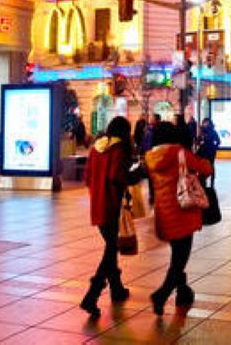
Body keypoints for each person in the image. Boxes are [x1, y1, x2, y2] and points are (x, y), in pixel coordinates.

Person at [145, 122, 213, 315]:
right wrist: (203, 158)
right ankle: (161, 295)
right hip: (182, 213)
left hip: (164, 215)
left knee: (177, 256)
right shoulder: (179, 153)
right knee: (179, 261)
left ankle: (182, 292)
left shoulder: (151, 156)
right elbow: (206, 169)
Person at [80, 116, 135, 318]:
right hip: (112, 205)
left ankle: (117, 288)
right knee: (111, 249)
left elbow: (87, 177)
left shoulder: (97, 148)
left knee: (111, 246)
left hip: (98, 203)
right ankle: (92, 295)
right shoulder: (119, 149)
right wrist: (137, 174)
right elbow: (117, 175)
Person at [197, 118, 220, 186]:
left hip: (211, 151)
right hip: (203, 151)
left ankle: (212, 183)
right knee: (203, 165)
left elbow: (218, 141)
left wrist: (214, 147)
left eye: (207, 122)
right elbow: (198, 141)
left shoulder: (213, 131)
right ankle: (203, 180)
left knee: (211, 165)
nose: (205, 124)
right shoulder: (201, 131)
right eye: (204, 122)